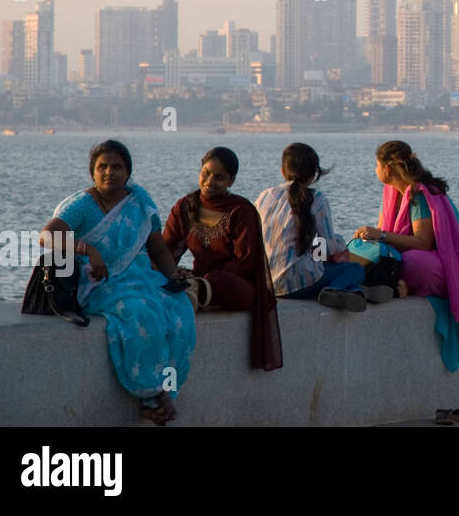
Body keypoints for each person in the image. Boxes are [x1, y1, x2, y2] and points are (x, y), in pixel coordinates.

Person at [39, 140, 196, 425]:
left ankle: (166, 390)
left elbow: (158, 247)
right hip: (100, 283)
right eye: (102, 167)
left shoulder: (139, 202)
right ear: (92, 172)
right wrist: (88, 250)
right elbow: (47, 236)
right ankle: (150, 396)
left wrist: (173, 275)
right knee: (140, 314)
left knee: (180, 312)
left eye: (116, 167)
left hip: (141, 278)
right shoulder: (83, 204)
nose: (109, 172)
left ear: (127, 171)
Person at [351, 140, 459, 371]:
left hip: (440, 264)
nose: (375, 170)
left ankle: (401, 285)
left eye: (376, 165)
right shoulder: (391, 193)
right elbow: (385, 236)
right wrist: (371, 239)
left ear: (387, 169)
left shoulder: (419, 194)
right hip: (407, 254)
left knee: (414, 262)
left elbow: (423, 242)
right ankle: (395, 284)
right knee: (369, 254)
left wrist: (380, 236)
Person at [163, 147, 282, 371]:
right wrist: (169, 271)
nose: (209, 181)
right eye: (206, 173)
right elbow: (166, 250)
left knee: (229, 286)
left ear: (231, 181)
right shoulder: (186, 207)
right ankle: (191, 291)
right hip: (196, 281)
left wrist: (208, 280)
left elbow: (245, 262)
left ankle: (195, 292)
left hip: (234, 284)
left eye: (219, 177)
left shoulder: (241, 210)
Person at [256, 143, 391, 312]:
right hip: (300, 285)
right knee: (355, 269)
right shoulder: (317, 199)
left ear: (282, 171)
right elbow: (325, 247)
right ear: (313, 175)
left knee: (322, 264)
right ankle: (337, 288)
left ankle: (354, 291)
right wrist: (341, 244)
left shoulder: (264, 196)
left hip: (267, 285)